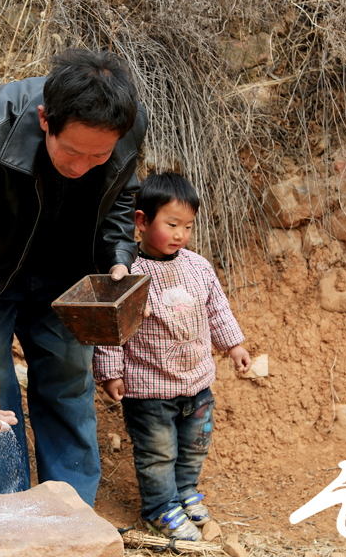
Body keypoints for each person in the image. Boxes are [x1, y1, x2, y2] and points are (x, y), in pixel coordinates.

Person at [0, 49, 147, 506]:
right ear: (45, 119)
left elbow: (122, 197)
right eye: (72, 152)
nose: (83, 166)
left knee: (69, 385)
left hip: (67, 281)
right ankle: (2, 515)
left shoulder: (128, 125)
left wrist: (118, 259)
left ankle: (70, 514)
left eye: (98, 155)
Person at [93, 172, 251, 540]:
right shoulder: (129, 274)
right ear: (142, 221)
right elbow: (112, 329)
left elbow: (218, 311)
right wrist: (110, 373)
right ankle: (160, 508)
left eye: (188, 226)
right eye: (172, 224)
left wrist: (234, 346)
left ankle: (184, 492)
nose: (181, 234)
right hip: (149, 390)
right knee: (158, 453)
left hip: (197, 384)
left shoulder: (198, 267)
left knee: (195, 445)